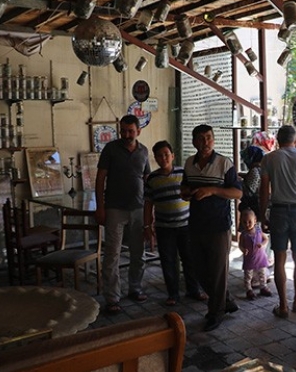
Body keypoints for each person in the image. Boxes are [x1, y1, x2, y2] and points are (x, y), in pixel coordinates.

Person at [181, 124, 243, 331]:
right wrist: (186, 193)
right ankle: (226, 300)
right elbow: (185, 186)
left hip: (218, 226)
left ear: (213, 140)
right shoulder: (189, 163)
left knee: (217, 272)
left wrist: (212, 190)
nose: (205, 142)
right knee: (199, 270)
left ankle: (216, 312)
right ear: (194, 142)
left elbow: (237, 193)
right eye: (200, 138)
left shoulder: (224, 163)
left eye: (208, 137)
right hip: (196, 224)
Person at [260, 125, 296, 319]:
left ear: (278, 141)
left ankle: (283, 305)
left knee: (279, 258)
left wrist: (262, 215)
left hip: (277, 211)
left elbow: (264, 191)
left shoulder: (269, 159)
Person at [95, 114, 151, 314]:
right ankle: (112, 298)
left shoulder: (144, 151)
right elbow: (100, 179)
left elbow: (147, 179)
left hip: (138, 208)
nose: (127, 135)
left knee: (138, 253)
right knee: (112, 254)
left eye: (131, 131)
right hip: (114, 209)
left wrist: (149, 212)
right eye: (124, 131)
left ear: (138, 131)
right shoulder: (110, 149)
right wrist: (100, 207)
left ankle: (135, 288)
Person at [144, 140, 207, 306]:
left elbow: (194, 195)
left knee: (190, 259)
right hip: (164, 228)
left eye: (166, 154)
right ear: (155, 158)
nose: (163, 158)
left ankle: (194, 290)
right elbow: (148, 204)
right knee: (168, 261)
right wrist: (147, 226)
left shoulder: (183, 173)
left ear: (172, 156)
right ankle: (173, 294)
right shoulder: (152, 179)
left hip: (186, 226)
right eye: (159, 156)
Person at [238, 208, 272, 300]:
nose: (247, 224)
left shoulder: (258, 231)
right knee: (248, 275)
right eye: (244, 222)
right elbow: (240, 245)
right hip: (249, 259)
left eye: (250, 222)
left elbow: (266, 239)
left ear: (255, 220)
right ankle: (249, 289)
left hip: (260, 258)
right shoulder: (243, 234)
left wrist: (262, 244)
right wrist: (243, 250)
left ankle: (263, 287)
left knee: (262, 273)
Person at [239, 145, 266, 218]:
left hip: (254, 210)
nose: (244, 161)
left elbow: (249, 192)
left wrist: (239, 182)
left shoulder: (255, 171)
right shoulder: (262, 169)